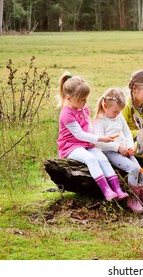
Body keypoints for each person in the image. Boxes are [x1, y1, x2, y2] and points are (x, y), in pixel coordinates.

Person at [56, 72, 129, 202]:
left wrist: (93, 141)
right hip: (70, 146)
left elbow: (88, 127)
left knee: (102, 158)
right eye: (82, 99)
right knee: (90, 159)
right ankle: (106, 190)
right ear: (69, 98)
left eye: (86, 98)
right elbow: (79, 134)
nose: (85, 102)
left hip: (85, 143)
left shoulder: (84, 109)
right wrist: (100, 138)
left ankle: (117, 189)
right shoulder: (66, 114)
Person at [92, 88, 143, 214]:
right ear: (105, 106)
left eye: (119, 111)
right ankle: (132, 199)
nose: (118, 114)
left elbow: (127, 132)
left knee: (139, 169)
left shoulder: (118, 117)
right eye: (115, 111)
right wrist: (118, 147)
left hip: (124, 150)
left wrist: (129, 146)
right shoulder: (100, 120)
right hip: (110, 152)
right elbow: (100, 141)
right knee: (133, 169)